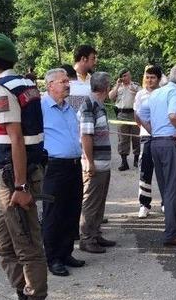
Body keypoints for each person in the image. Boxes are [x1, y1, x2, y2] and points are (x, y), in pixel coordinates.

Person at [0, 33, 50, 300]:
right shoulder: (26, 85)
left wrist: (21, 186)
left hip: (15, 176)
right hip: (18, 174)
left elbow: (16, 140)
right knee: (2, 243)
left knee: (27, 246)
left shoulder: (2, 91)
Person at [138, 65, 176, 246]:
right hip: (171, 143)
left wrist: (153, 130)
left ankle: (175, 225)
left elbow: (139, 114)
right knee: (174, 189)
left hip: (155, 142)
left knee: (166, 187)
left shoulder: (157, 93)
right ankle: (172, 233)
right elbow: (173, 116)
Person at [40, 68, 86, 275]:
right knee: (54, 213)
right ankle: (53, 258)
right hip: (55, 167)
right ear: (50, 85)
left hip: (74, 165)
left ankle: (66, 252)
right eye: (63, 81)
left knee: (72, 210)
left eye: (68, 81)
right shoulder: (41, 107)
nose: (68, 84)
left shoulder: (68, 107)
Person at [77, 72, 117, 253]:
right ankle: (86, 238)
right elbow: (86, 135)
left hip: (103, 164)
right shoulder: (89, 105)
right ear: (106, 87)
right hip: (94, 164)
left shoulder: (98, 105)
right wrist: (90, 162)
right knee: (91, 202)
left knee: (99, 201)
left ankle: (95, 234)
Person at [134, 65, 162, 218]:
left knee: (164, 169)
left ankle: (166, 202)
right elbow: (137, 117)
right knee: (145, 169)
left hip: (162, 135)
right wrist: (147, 128)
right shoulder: (140, 95)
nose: (149, 80)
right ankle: (144, 204)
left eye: (152, 77)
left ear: (158, 79)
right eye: (147, 77)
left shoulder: (164, 92)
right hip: (146, 136)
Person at [109, 69, 141, 171]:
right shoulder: (118, 87)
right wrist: (117, 85)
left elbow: (144, 95)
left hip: (134, 114)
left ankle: (136, 159)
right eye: (123, 76)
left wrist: (136, 92)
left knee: (136, 137)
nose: (125, 78)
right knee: (123, 138)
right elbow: (110, 97)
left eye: (127, 75)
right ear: (120, 77)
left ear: (130, 76)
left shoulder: (135, 86)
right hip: (122, 114)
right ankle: (124, 162)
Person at [68, 45, 97, 113]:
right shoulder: (66, 79)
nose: (95, 62)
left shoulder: (93, 79)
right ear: (84, 59)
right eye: (93, 59)